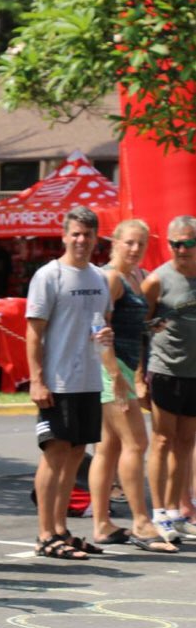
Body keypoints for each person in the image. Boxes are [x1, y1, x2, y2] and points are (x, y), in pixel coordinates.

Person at [26, 206, 117, 561]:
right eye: (75, 234)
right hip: (57, 382)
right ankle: (45, 533)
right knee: (54, 455)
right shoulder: (49, 276)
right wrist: (37, 380)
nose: (81, 240)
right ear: (65, 236)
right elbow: (33, 334)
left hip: (88, 380)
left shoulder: (99, 277)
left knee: (76, 456)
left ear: (96, 239)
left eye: (88, 234)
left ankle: (61, 529)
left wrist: (106, 340)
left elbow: (101, 326)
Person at [86, 219, 177, 552]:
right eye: (129, 243)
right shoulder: (110, 278)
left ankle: (101, 524)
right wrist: (115, 375)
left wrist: (153, 326)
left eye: (141, 243)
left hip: (126, 364)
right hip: (111, 369)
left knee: (108, 448)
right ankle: (141, 522)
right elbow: (99, 329)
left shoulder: (138, 276)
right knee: (137, 443)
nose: (135, 249)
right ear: (115, 243)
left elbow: (131, 326)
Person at [142, 214, 196, 541]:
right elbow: (139, 327)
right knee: (162, 441)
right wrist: (137, 377)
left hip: (194, 373)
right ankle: (159, 511)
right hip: (165, 370)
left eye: (187, 242)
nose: (181, 249)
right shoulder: (157, 281)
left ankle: (177, 513)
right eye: (175, 243)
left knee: (186, 444)